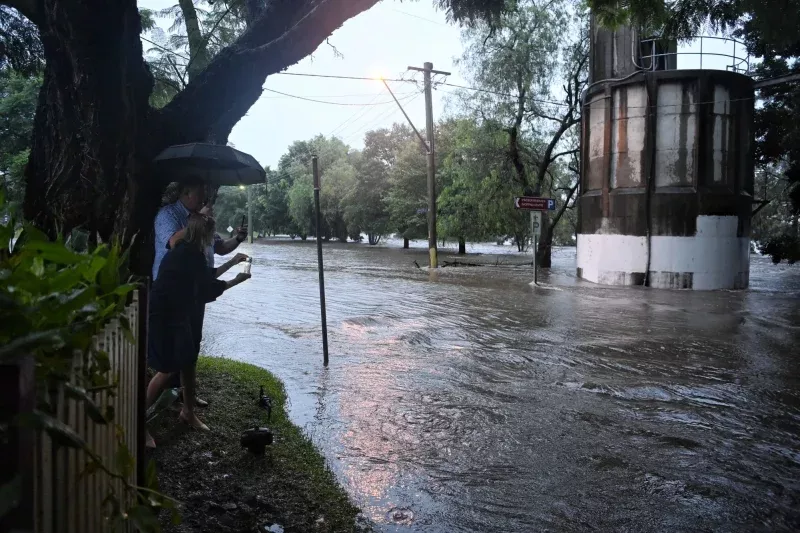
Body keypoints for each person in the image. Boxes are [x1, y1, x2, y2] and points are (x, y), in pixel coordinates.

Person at [145, 213, 250, 447]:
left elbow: (205, 276)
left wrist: (232, 263)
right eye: (212, 236)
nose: (213, 240)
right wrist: (236, 280)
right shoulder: (188, 256)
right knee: (167, 369)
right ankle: (139, 422)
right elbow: (207, 287)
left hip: (179, 312)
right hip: (165, 316)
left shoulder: (189, 251)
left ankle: (188, 413)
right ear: (203, 235)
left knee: (188, 360)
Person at [153, 182, 248, 406]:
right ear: (186, 193)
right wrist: (234, 280)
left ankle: (187, 399)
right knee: (171, 357)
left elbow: (218, 250)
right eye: (200, 195)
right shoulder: (170, 216)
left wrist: (237, 241)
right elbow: (175, 241)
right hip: (172, 296)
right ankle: (164, 397)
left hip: (192, 291)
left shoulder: (200, 229)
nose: (205, 201)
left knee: (192, 343)